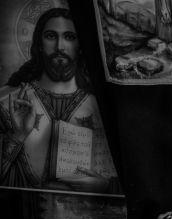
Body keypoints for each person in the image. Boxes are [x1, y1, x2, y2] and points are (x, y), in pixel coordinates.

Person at [0, 7, 117, 193]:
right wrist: (18, 136)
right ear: (39, 43)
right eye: (50, 36)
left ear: (81, 46)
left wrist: (106, 186)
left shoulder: (102, 106)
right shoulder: (9, 103)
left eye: (69, 37)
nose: (59, 47)